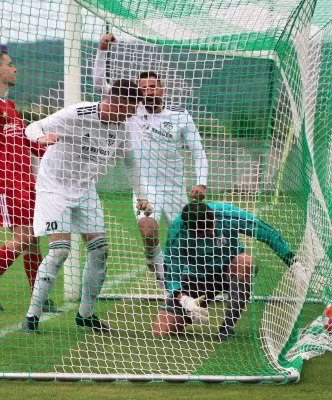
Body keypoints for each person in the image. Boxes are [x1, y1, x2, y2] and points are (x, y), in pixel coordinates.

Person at [22, 79, 152, 333]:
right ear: (116, 102)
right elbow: (32, 126)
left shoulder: (122, 128)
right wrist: (42, 137)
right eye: (130, 108)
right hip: (54, 187)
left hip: (85, 189)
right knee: (60, 251)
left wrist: (142, 195)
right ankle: (32, 316)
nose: (132, 114)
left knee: (100, 249)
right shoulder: (77, 113)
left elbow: (130, 163)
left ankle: (85, 315)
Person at [93, 33, 209, 289]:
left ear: (162, 89)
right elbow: (100, 83)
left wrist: (201, 183)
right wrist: (102, 50)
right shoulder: (131, 112)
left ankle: (189, 282)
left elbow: (198, 151)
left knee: (189, 242)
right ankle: (159, 271)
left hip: (175, 188)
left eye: (153, 86)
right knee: (148, 229)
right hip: (146, 189)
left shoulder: (180, 116)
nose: (149, 91)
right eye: (143, 88)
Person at [0, 50, 59, 313]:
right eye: (10, 65)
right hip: (7, 185)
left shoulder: (9, 106)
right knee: (25, 237)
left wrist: (52, 151)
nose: (15, 69)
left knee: (33, 239)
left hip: (25, 182)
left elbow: (24, 143)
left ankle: (39, 298)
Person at [152, 201, 310, 342]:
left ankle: (226, 328)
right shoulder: (178, 233)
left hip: (229, 270)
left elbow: (267, 233)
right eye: (203, 232)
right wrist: (186, 301)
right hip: (197, 278)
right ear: (190, 228)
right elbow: (171, 276)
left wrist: (294, 265)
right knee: (161, 330)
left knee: (246, 262)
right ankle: (189, 312)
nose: (211, 233)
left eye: (211, 226)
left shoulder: (227, 214)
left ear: (213, 216)